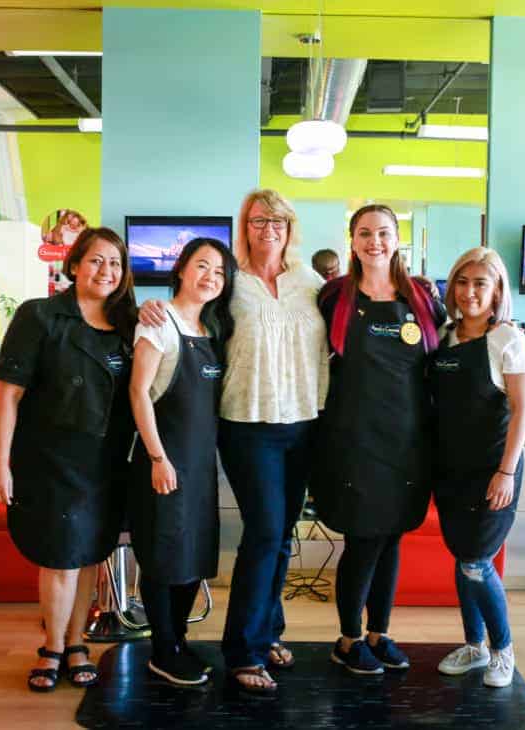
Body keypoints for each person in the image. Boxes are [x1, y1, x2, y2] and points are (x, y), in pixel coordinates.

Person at [140, 189, 329, 694]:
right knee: (265, 532)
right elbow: (190, 309)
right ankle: (242, 650)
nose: (269, 228)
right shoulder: (231, 284)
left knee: (282, 537)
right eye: (258, 220)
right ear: (244, 228)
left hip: (304, 422)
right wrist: (153, 305)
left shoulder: (310, 283)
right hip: (248, 425)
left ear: (291, 229)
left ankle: (267, 634)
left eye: (278, 220)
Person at [0, 227, 138, 693]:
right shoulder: (40, 316)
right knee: (59, 556)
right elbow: (8, 395)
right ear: (74, 265)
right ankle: (52, 647)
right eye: (96, 261)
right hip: (48, 457)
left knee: (90, 553)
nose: (105, 271)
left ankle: (77, 642)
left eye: (114, 263)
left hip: (107, 461)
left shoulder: (129, 325)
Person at [314, 204, 445, 675]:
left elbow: (447, 356)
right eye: (365, 233)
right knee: (363, 540)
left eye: (384, 233)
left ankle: (379, 633)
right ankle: (348, 639)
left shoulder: (423, 297)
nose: (375, 242)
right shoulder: (333, 297)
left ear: (397, 239)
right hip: (354, 440)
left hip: (409, 440)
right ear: (351, 240)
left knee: (393, 540)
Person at [128, 238, 237, 686]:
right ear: (181, 270)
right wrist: (158, 457)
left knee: (193, 555)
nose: (210, 277)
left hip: (199, 465)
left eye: (219, 271)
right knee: (162, 556)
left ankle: (177, 641)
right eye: (201, 266)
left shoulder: (213, 329)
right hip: (162, 460)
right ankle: (163, 647)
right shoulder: (158, 322)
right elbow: (139, 393)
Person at [430, 247, 525, 689]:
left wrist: (506, 472)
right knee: (462, 557)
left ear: (497, 291)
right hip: (451, 469)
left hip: (493, 470)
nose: (470, 292)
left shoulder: (508, 339)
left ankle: (502, 649)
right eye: (462, 282)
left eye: (481, 284)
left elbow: (521, 410)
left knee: (477, 561)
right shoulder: (443, 334)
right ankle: (473, 646)